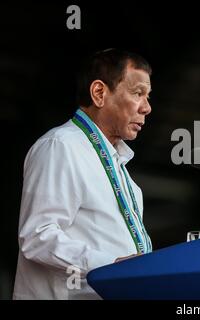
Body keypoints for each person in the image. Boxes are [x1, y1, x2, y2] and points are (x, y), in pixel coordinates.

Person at [13, 49, 153, 299]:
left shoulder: (123, 174)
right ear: (99, 93)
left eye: (148, 96)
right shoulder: (61, 146)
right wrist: (112, 264)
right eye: (138, 93)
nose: (147, 108)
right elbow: (37, 236)